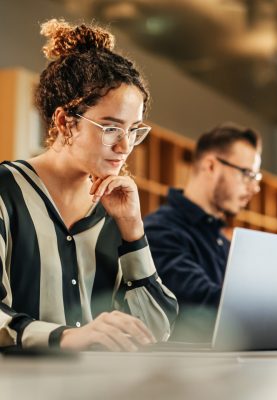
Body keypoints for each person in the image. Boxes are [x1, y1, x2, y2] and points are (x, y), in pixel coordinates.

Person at [0, 18, 178, 352]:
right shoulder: (6, 191)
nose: (125, 147)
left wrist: (132, 229)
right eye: (111, 128)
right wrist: (65, 337)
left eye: (134, 130)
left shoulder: (114, 209)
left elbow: (155, 330)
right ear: (65, 121)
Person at [144, 123, 262, 341]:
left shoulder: (223, 242)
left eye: (256, 178)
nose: (254, 188)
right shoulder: (159, 231)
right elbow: (203, 303)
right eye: (247, 174)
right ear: (211, 166)